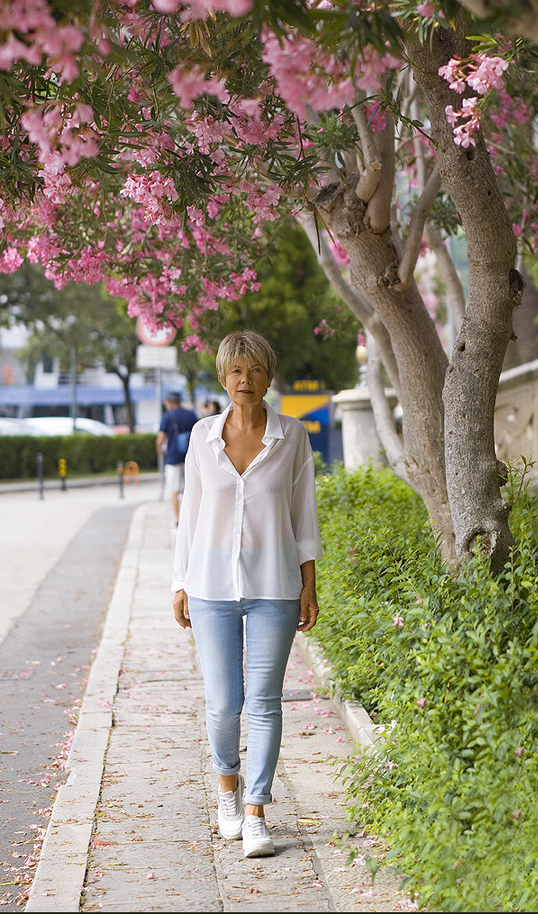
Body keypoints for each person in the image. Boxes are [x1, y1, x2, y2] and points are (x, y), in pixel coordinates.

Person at [172, 330, 321, 858]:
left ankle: (257, 812)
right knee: (223, 704)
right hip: (210, 586)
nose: (245, 380)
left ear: (269, 376)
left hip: (274, 587)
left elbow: (304, 514)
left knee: (263, 702)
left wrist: (308, 584)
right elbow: (190, 515)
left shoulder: (292, 436)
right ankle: (227, 793)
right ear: (221, 378)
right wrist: (180, 581)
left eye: (255, 370)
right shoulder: (200, 436)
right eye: (236, 371)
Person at [156, 390, 198, 524]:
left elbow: (161, 438)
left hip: (173, 457)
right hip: (190, 455)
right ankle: (190, 517)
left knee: (174, 489)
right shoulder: (191, 414)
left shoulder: (167, 416)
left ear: (168, 401)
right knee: (190, 487)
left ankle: (177, 518)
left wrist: (159, 449)